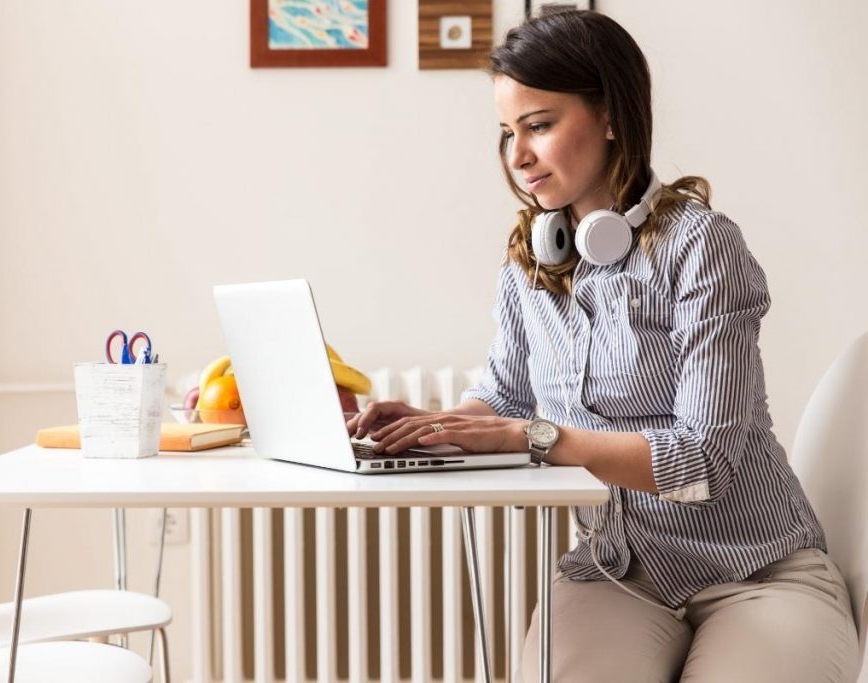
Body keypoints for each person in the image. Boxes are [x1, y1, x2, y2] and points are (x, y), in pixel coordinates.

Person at [347, 10, 859, 682]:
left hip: (757, 569)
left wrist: (532, 437)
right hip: (617, 574)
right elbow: (503, 395)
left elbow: (704, 460)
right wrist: (428, 424)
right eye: (508, 132)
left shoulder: (703, 247)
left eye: (539, 124)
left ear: (613, 116)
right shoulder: (531, 261)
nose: (518, 155)